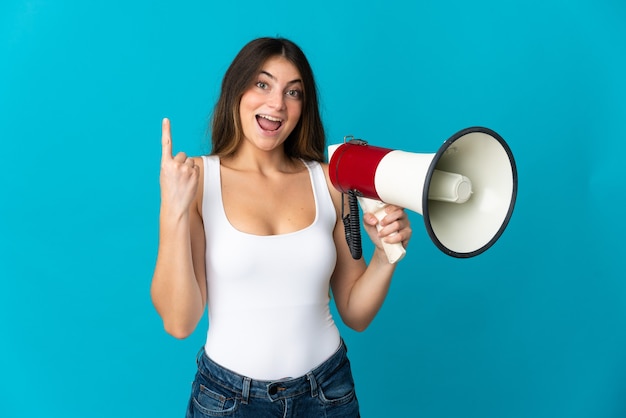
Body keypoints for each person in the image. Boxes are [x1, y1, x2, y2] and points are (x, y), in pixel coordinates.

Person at [151, 37, 412, 418]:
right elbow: (179, 321)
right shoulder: (197, 180)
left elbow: (356, 313)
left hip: (327, 394)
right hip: (227, 401)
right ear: (236, 90)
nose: (277, 104)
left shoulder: (329, 182)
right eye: (262, 84)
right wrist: (174, 209)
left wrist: (386, 257)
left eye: (293, 92)